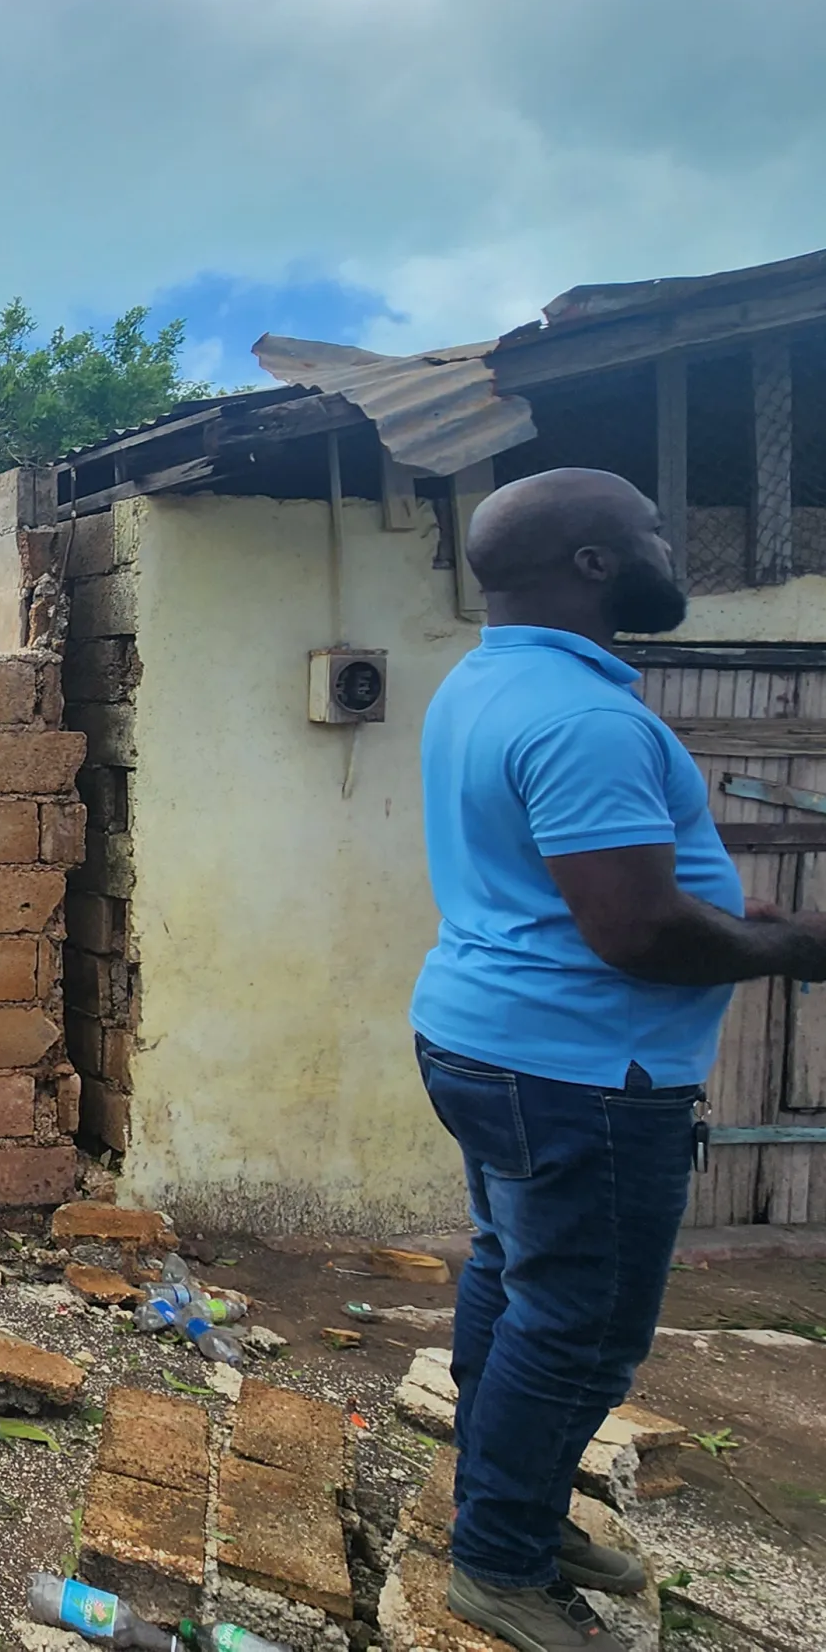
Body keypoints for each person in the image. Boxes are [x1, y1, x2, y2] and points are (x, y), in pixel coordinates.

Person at [411, 467, 826, 1649]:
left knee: (513, 1281)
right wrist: (788, 939)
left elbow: (608, 883)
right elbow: (635, 929)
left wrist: (716, 906)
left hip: (490, 1043)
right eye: (648, 528)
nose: (666, 544)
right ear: (593, 562)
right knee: (578, 1325)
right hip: (583, 1076)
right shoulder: (585, 716)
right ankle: (496, 1563)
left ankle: (511, 1514)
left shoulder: (486, 680)